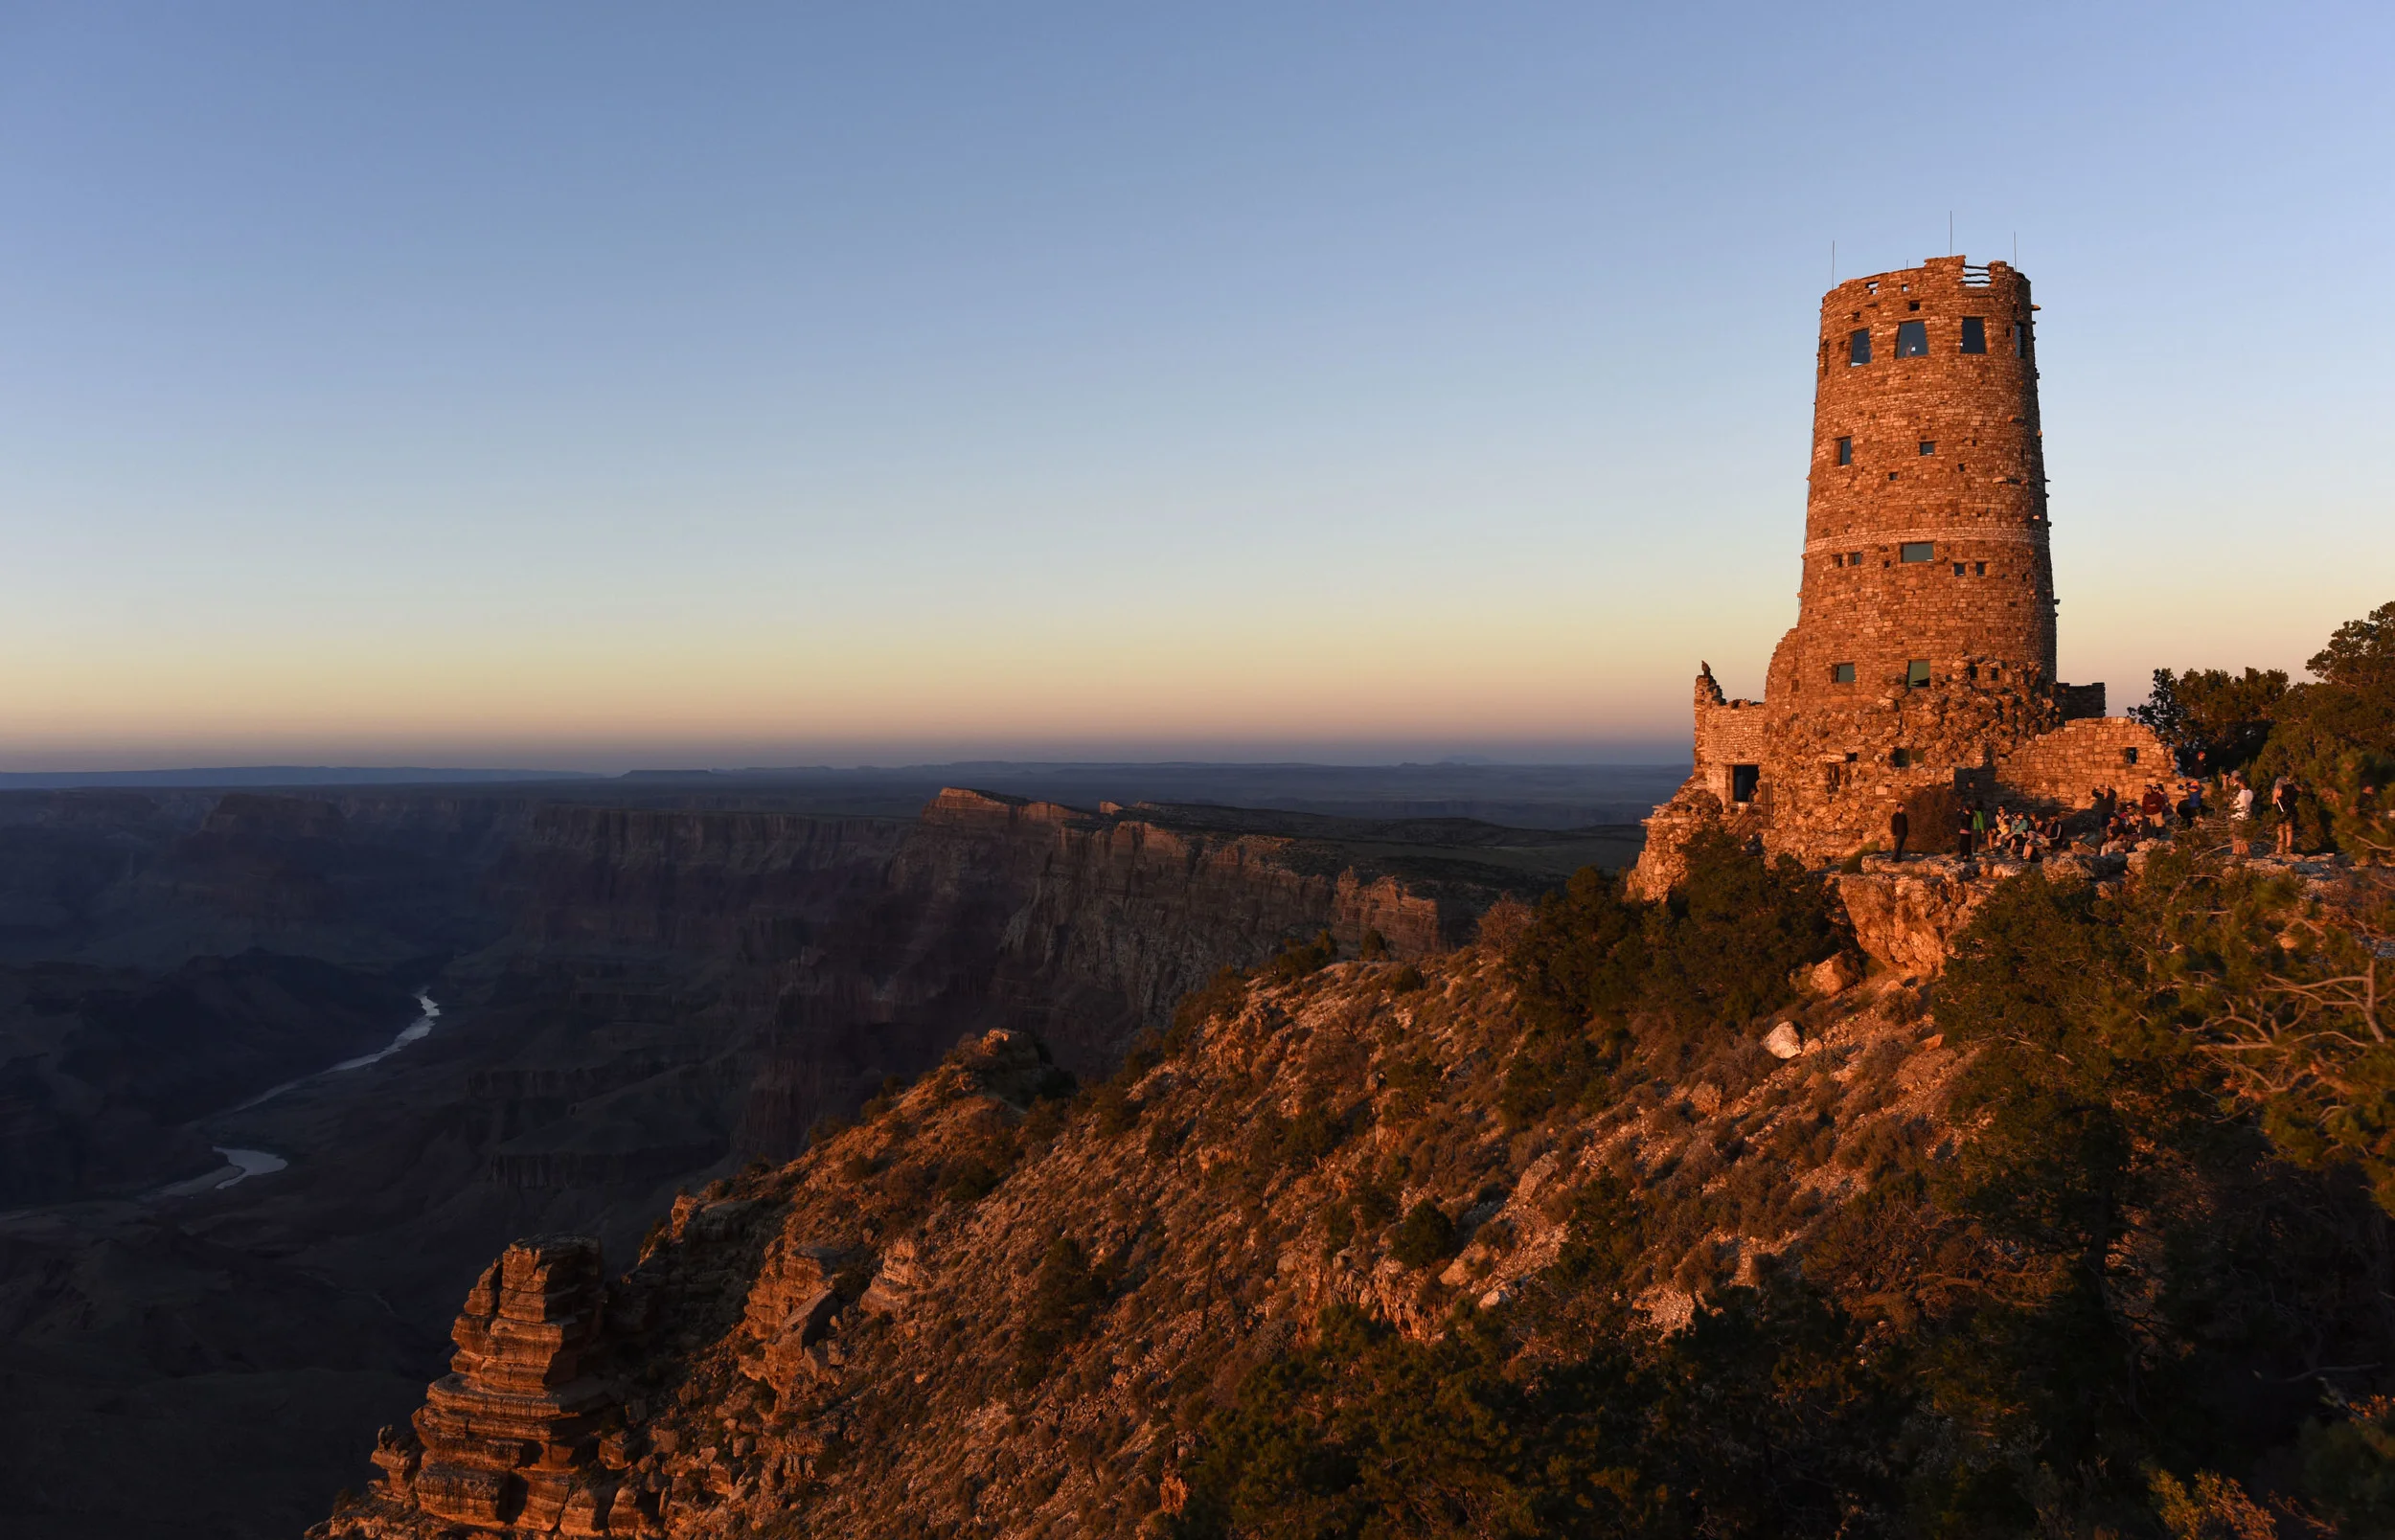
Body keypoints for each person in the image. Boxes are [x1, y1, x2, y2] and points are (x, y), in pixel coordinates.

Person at [2272, 776, 2298, 855]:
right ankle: (2288, 848)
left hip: (2281, 811)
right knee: (2289, 830)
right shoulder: (2291, 787)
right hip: (2290, 810)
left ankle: (2280, 849)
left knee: (2280, 830)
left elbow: (2273, 802)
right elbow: (2301, 790)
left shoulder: (2278, 788)